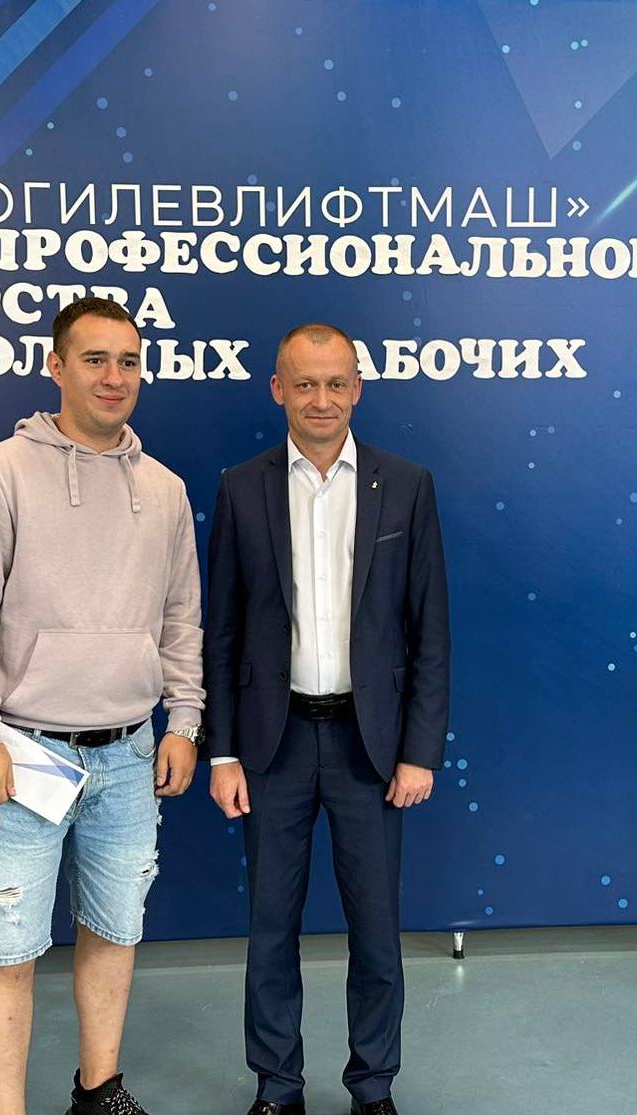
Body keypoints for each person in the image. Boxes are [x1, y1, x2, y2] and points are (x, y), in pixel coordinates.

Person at [0, 296, 205, 1115]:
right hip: (20, 753)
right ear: (56, 367)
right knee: (5, 948)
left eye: (128, 361)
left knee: (115, 929)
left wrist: (184, 721)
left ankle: (98, 1091)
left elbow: (182, 619)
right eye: (94, 359)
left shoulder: (164, 489)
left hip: (130, 752)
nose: (114, 377)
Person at [204, 322, 451, 1115]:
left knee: (376, 933)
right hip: (271, 746)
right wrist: (221, 752)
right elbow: (222, 632)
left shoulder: (405, 484)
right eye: (305, 383)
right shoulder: (240, 487)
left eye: (336, 382)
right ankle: (277, 1087)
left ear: (357, 389)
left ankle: (372, 1087)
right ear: (278, 389)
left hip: (369, 748)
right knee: (269, 930)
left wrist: (420, 751)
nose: (321, 398)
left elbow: (430, 632)